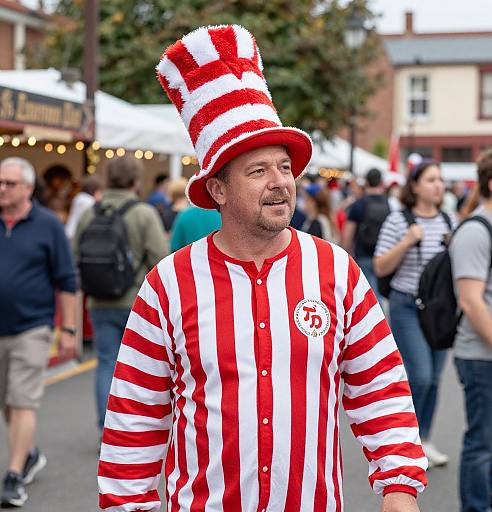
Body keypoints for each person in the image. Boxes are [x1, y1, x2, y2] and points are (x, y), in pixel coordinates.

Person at [97, 25, 427, 512]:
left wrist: (399, 488)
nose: (281, 183)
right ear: (218, 190)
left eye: (285, 167)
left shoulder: (335, 271)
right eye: (258, 171)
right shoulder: (169, 284)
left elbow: (381, 389)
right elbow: (135, 422)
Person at [0, 157, 77, 507]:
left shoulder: (47, 225)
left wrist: (70, 330)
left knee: (22, 400)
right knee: (7, 403)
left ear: (28, 188)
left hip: (32, 327)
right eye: (0, 182)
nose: (2, 188)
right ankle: (28, 453)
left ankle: (13, 476)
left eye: (10, 183)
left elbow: (67, 281)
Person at [73, 156, 168, 435]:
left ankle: (105, 426)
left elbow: (78, 252)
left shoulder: (91, 212)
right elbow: (159, 259)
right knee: (137, 366)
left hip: (99, 300)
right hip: (135, 300)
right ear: (136, 180)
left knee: (105, 361)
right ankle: (129, 427)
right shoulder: (143, 213)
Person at [373, 159, 455, 468]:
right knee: (419, 375)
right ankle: (408, 441)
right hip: (407, 305)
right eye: (432, 179)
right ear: (416, 186)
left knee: (434, 379)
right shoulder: (398, 221)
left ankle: (425, 439)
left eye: (440, 179)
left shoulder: (449, 220)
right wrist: (408, 241)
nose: (439, 185)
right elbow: (381, 267)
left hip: (440, 309)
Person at [449, 148, 492, 512]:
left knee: (486, 448)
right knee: (481, 443)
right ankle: (476, 505)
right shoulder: (476, 230)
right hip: (484, 356)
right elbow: (471, 301)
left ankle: (490, 481)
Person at [342, 168, 392, 295]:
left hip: (363, 255)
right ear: (381, 182)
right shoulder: (390, 204)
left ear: (366, 182)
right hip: (385, 256)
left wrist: (344, 255)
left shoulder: (359, 204)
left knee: (367, 294)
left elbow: (347, 235)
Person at [64, 174, 103, 239]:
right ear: (96, 191)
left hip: (70, 234)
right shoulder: (89, 202)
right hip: (77, 237)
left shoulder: (79, 198)